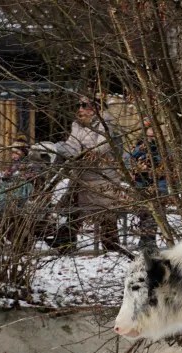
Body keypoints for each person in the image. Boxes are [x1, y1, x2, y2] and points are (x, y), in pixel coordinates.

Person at [35, 96, 125, 254]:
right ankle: (65, 242)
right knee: (71, 208)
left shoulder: (106, 123)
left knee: (106, 216)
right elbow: (73, 147)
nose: (80, 109)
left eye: (84, 105)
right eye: (79, 105)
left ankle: (112, 250)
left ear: (95, 108)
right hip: (82, 175)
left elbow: (103, 145)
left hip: (103, 178)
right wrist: (54, 148)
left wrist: (93, 152)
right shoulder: (77, 125)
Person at [124, 119, 167, 251]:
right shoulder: (138, 147)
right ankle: (145, 240)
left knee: (154, 214)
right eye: (150, 129)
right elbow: (128, 160)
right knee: (144, 213)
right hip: (141, 184)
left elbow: (167, 162)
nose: (153, 132)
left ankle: (150, 240)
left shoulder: (163, 147)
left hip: (158, 185)